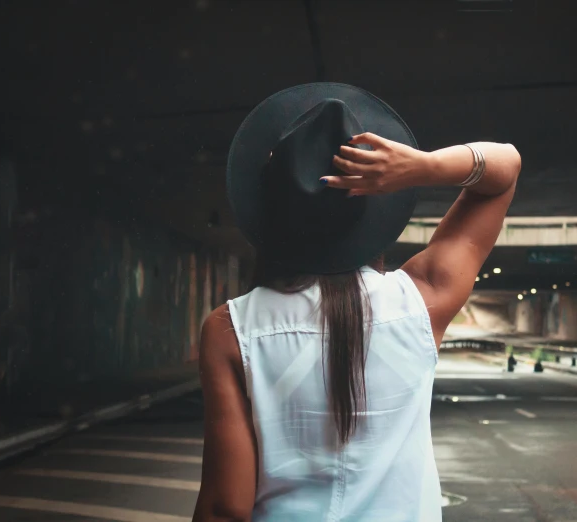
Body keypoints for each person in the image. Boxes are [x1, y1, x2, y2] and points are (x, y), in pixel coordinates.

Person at [192, 83, 520, 522]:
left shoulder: (231, 330)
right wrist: (423, 166)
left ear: (270, 215)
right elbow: (505, 169)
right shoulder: (423, 300)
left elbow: (226, 507)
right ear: (373, 214)